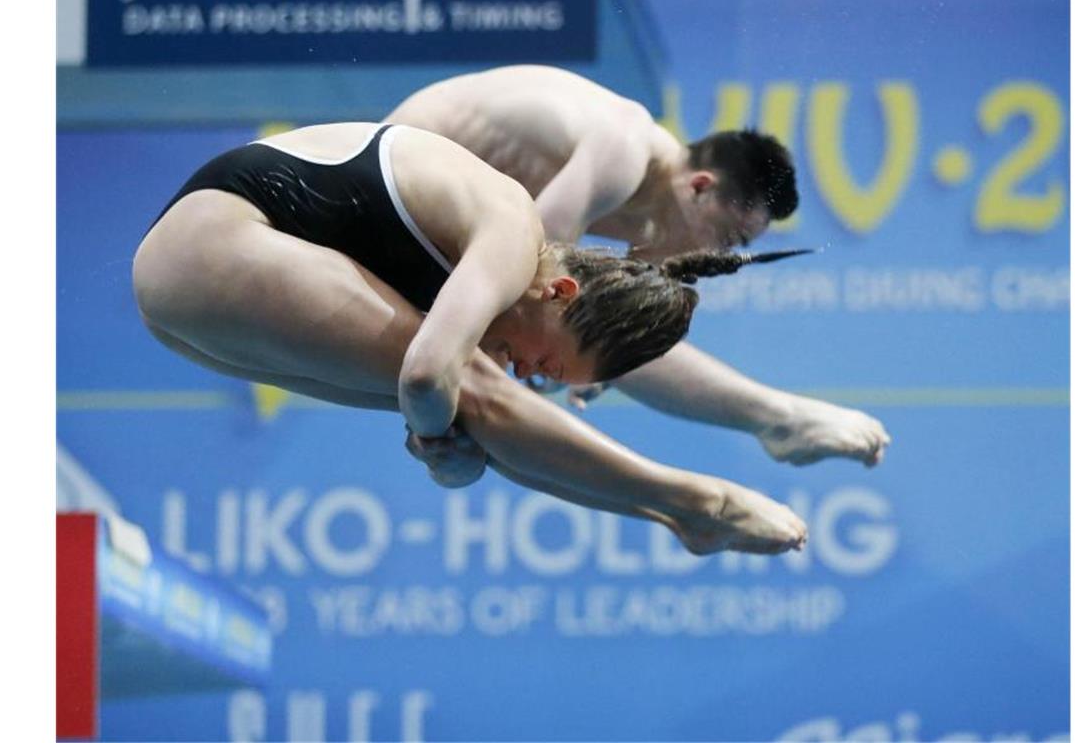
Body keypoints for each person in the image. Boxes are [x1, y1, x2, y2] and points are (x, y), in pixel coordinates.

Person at [132, 120, 808, 555]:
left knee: (476, 404)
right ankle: (695, 502)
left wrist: (444, 450)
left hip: (191, 291)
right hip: (217, 238)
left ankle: (675, 514)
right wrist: (436, 433)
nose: (525, 372)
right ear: (562, 293)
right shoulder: (514, 236)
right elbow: (428, 382)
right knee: (470, 392)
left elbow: (453, 416)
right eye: (545, 362)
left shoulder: (488, 306)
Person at [387, 65, 891, 469]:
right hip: (391, 191)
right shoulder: (624, 148)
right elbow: (519, 282)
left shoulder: (653, 219)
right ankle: (776, 417)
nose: (721, 256)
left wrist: (588, 357)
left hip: (430, 227)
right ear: (700, 187)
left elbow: (613, 323)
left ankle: (773, 417)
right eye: (728, 238)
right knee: (560, 335)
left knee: (611, 330)